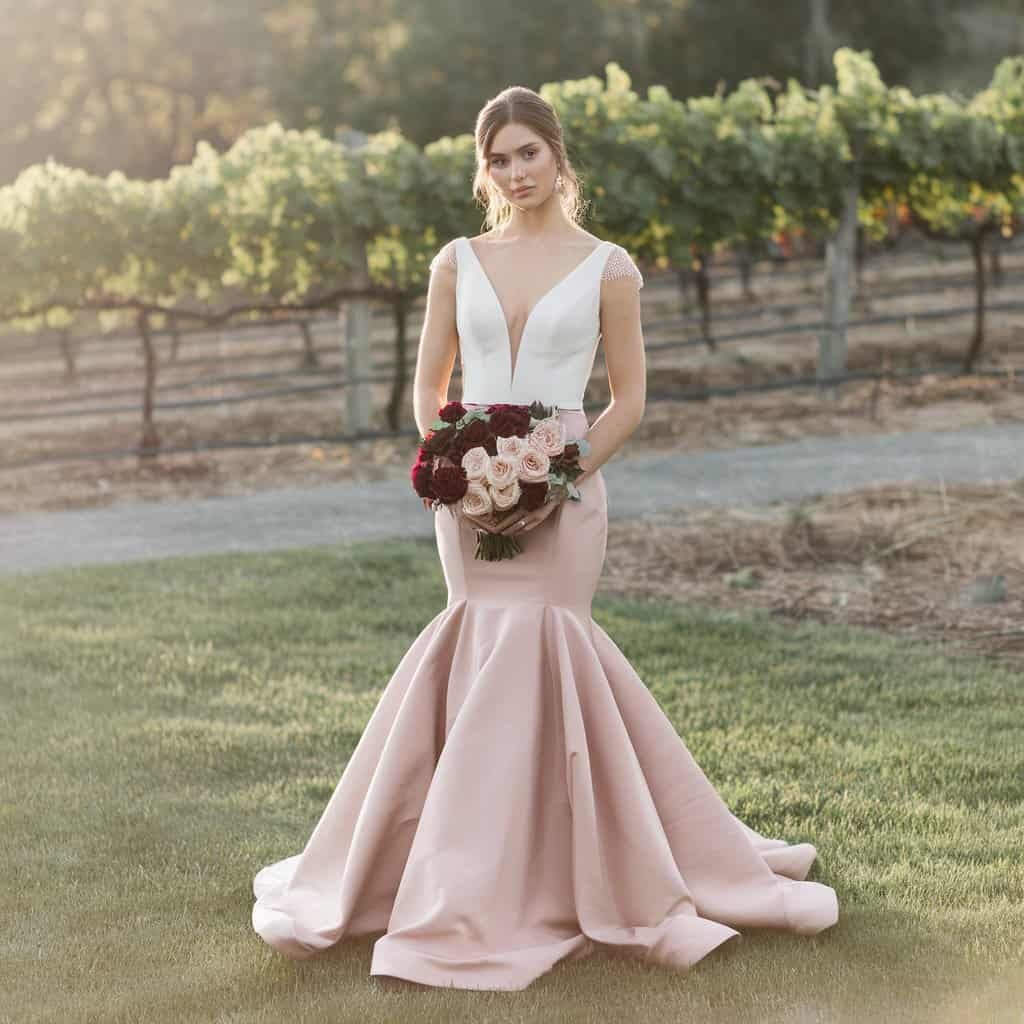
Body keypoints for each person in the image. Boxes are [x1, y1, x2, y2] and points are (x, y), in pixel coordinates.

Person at [251, 85, 839, 992]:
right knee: (477, 644)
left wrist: (556, 477)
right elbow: (428, 387)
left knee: (552, 646)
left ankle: (583, 869)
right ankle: (456, 872)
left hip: (566, 496)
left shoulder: (609, 267)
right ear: (484, 171)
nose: (516, 172)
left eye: (529, 153)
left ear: (559, 158)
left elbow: (630, 399)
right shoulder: (457, 261)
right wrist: (454, 467)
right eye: (499, 158)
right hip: (468, 491)